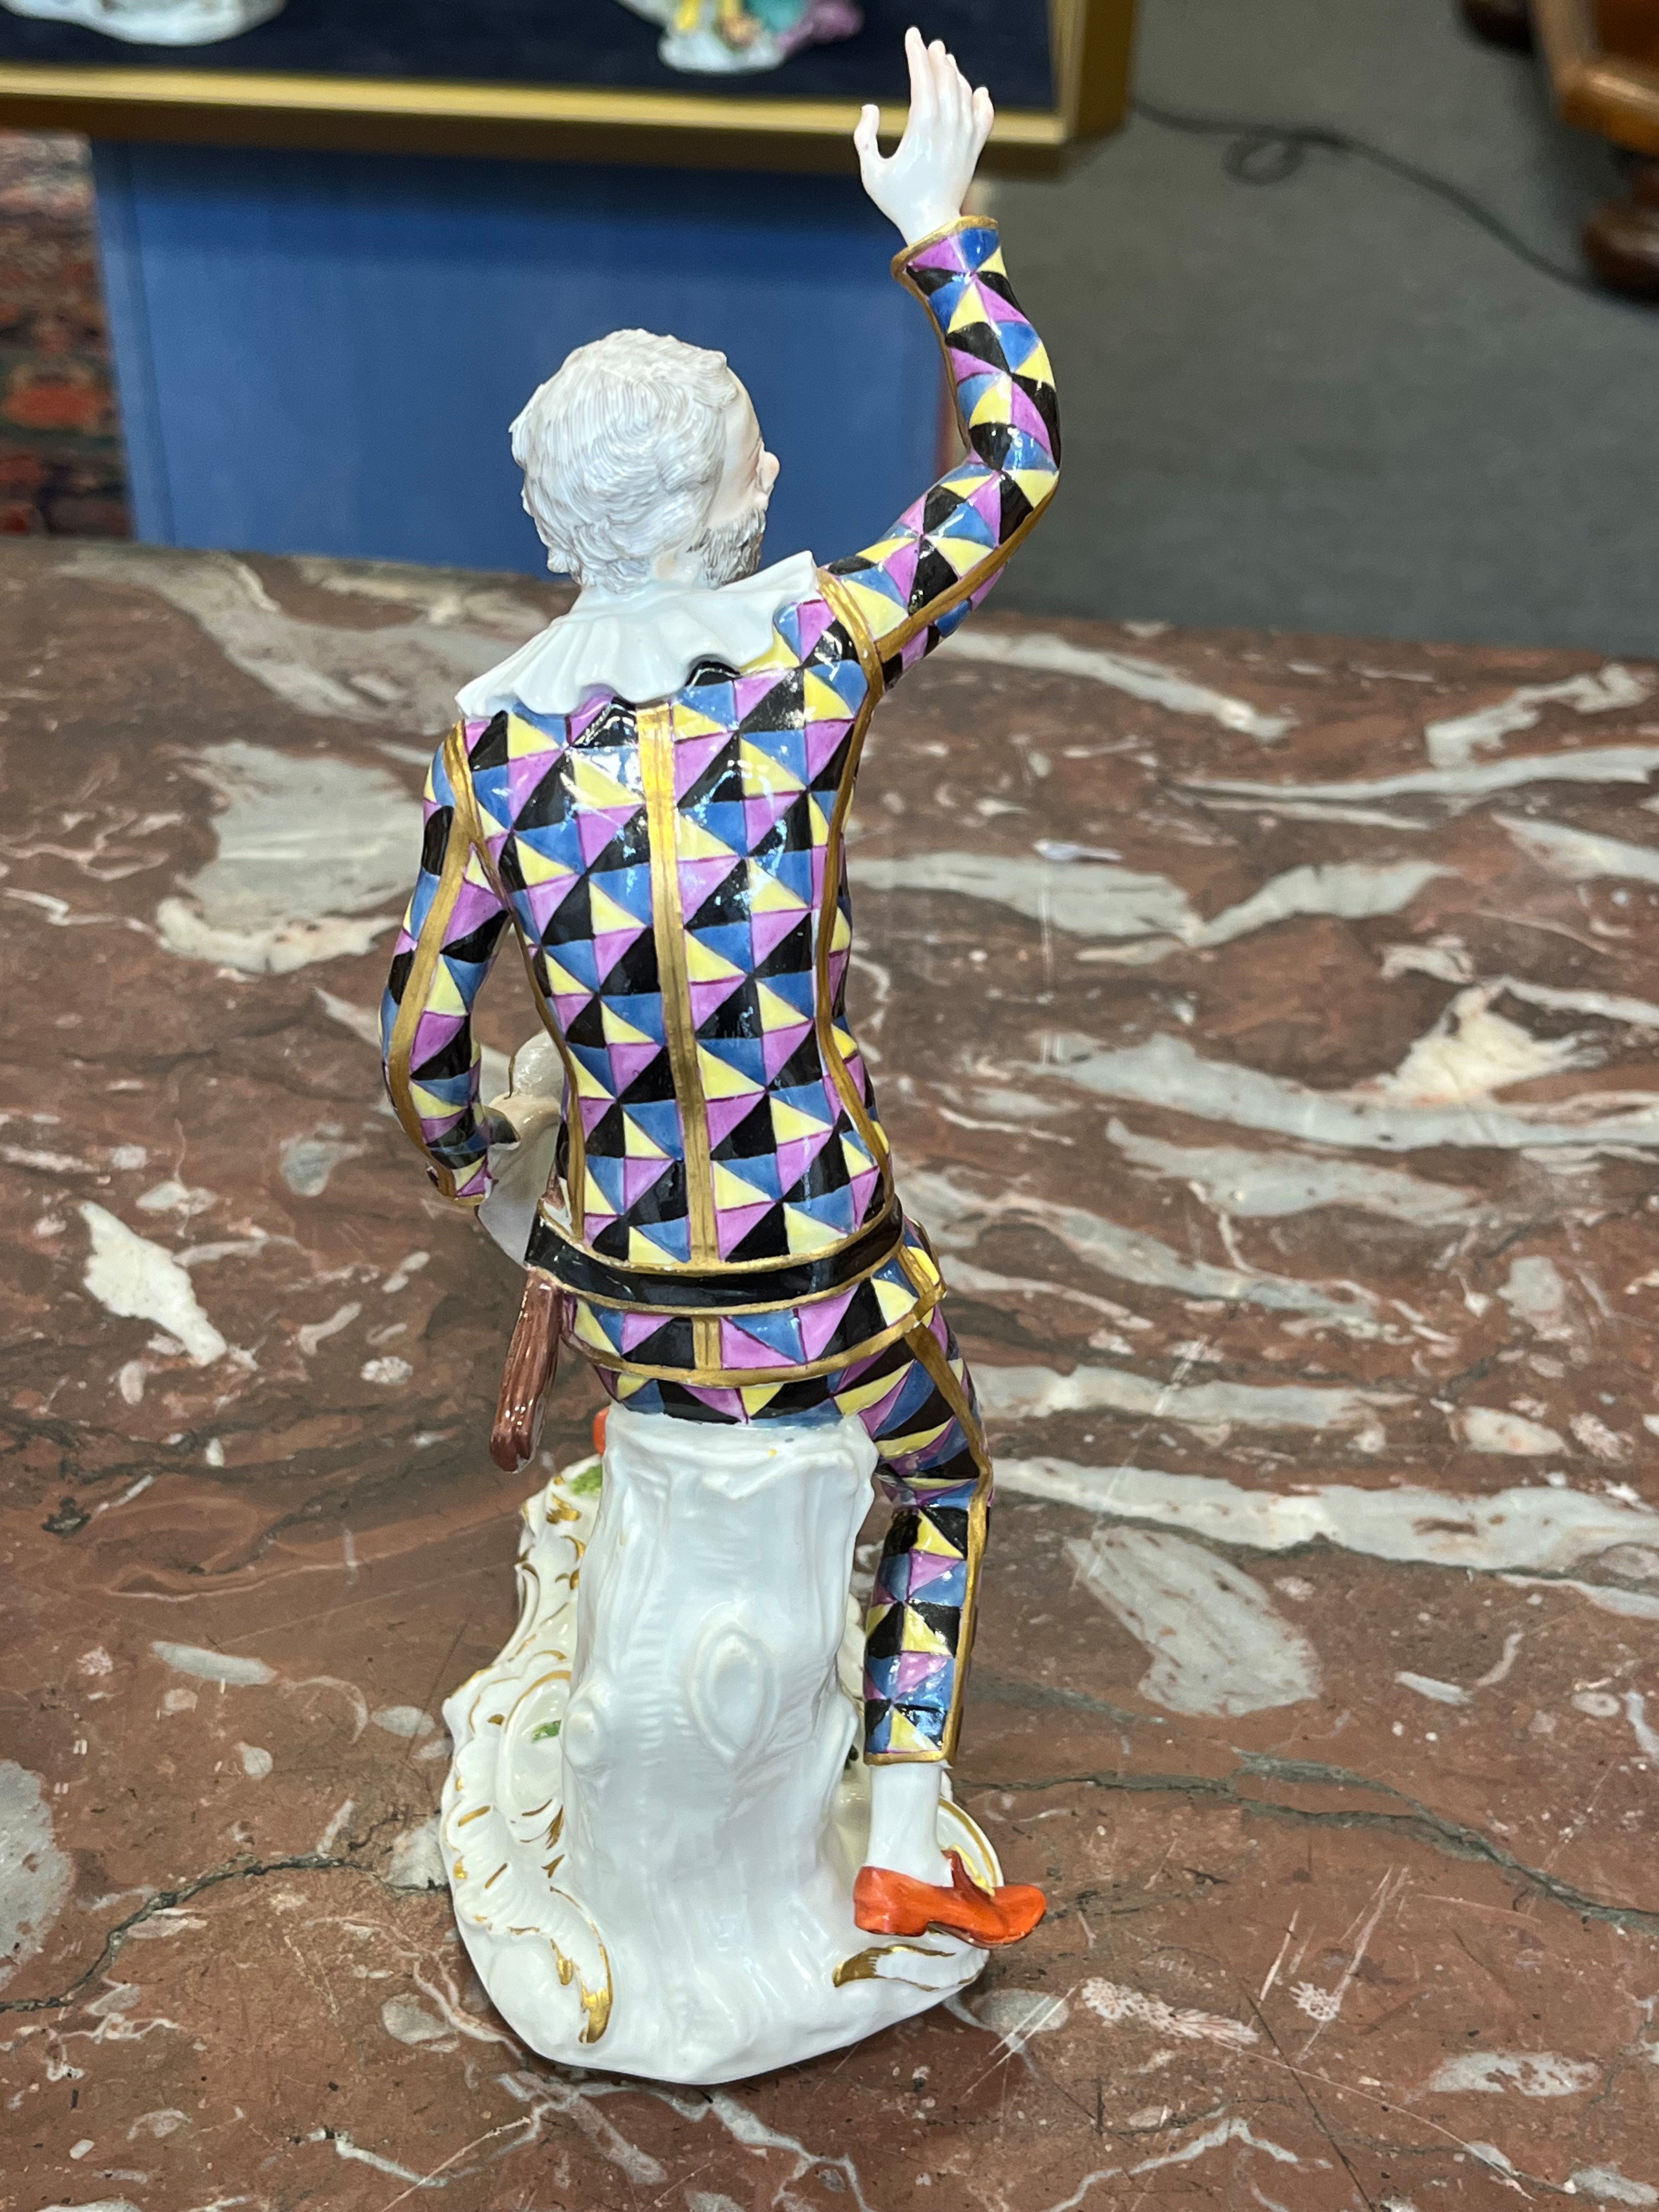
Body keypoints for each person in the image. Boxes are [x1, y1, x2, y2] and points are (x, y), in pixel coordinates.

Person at [382, 29, 1059, 1947]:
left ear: (549, 526)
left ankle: (651, 1559)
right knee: (942, 1477)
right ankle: (901, 1825)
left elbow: (425, 1052)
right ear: (745, 499)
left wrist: (509, 1199)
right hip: (827, 1258)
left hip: (630, 1299)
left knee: (677, 1422)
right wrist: (940, 230)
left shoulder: (492, 741)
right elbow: (1017, 461)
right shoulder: (814, 651)